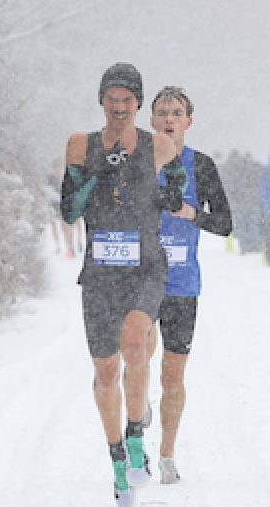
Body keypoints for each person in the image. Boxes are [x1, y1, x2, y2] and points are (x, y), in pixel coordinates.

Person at [61, 62, 182, 505]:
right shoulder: (81, 145)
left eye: (127, 100)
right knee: (105, 371)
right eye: (111, 100)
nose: (119, 108)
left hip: (145, 267)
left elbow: (176, 192)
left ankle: (135, 438)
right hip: (100, 273)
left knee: (135, 342)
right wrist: (96, 175)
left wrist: (166, 194)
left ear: (138, 104)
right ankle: (116, 460)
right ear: (101, 102)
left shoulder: (159, 146)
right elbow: (69, 212)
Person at [146, 86, 232, 484]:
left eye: (176, 113)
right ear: (151, 121)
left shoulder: (202, 166)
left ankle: (167, 454)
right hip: (141, 278)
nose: (169, 119)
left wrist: (190, 213)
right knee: (137, 353)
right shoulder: (135, 162)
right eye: (162, 112)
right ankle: (137, 404)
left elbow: (225, 223)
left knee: (173, 375)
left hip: (182, 283)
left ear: (188, 122)